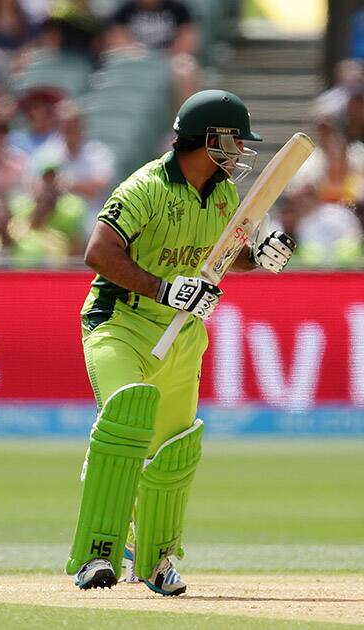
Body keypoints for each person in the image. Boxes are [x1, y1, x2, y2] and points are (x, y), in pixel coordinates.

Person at [67, 90, 297, 595]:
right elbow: (98, 252)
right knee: (126, 419)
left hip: (184, 336)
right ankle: (96, 556)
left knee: (172, 451)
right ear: (210, 138)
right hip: (120, 324)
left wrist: (259, 257)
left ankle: (157, 560)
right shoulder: (146, 185)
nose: (240, 151)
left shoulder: (223, 194)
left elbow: (223, 255)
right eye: (235, 140)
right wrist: (164, 289)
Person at [107, 0, 200, 107]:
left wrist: (166, 56)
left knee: (186, 71)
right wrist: (138, 55)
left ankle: (183, 117)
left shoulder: (177, 8)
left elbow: (187, 38)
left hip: (170, 59)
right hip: (136, 61)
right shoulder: (124, 9)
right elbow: (118, 40)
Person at [35, 100, 114, 221]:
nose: (69, 131)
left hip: (89, 214)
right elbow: (34, 186)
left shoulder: (97, 153)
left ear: (81, 126)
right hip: (54, 215)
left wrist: (70, 184)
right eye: (65, 127)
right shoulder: (47, 153)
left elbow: (99, 187)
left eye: (73, 126)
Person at [7, 86, 62, 162]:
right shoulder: (15, 140)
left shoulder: (62, 141)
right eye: (27, 109)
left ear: (49, 111)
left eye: (35, 107)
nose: (30, 113)